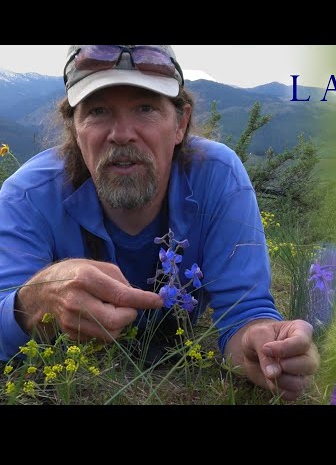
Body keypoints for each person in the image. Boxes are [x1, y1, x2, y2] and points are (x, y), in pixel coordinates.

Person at [0, 45, 319, 401]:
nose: (122, 134)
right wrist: (33, 301)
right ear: (75, 129)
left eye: (146, 108)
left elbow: (244, 311)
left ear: (180, 123)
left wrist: (261, 344)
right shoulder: (26, 196)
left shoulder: (217, 176)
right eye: (98, 111)